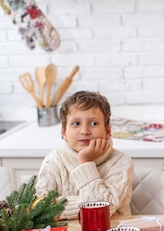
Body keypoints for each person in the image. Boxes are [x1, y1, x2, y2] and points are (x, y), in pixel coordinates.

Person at [35, 90, 133, 220]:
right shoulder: (54, 160)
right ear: (64, 132)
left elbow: (102, 212)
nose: (85, 131)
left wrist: (85, 162)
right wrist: (87, 204)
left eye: (93, 123)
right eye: (76, 123)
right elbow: (40, 208)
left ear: (108, 130)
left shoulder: (121, 161)